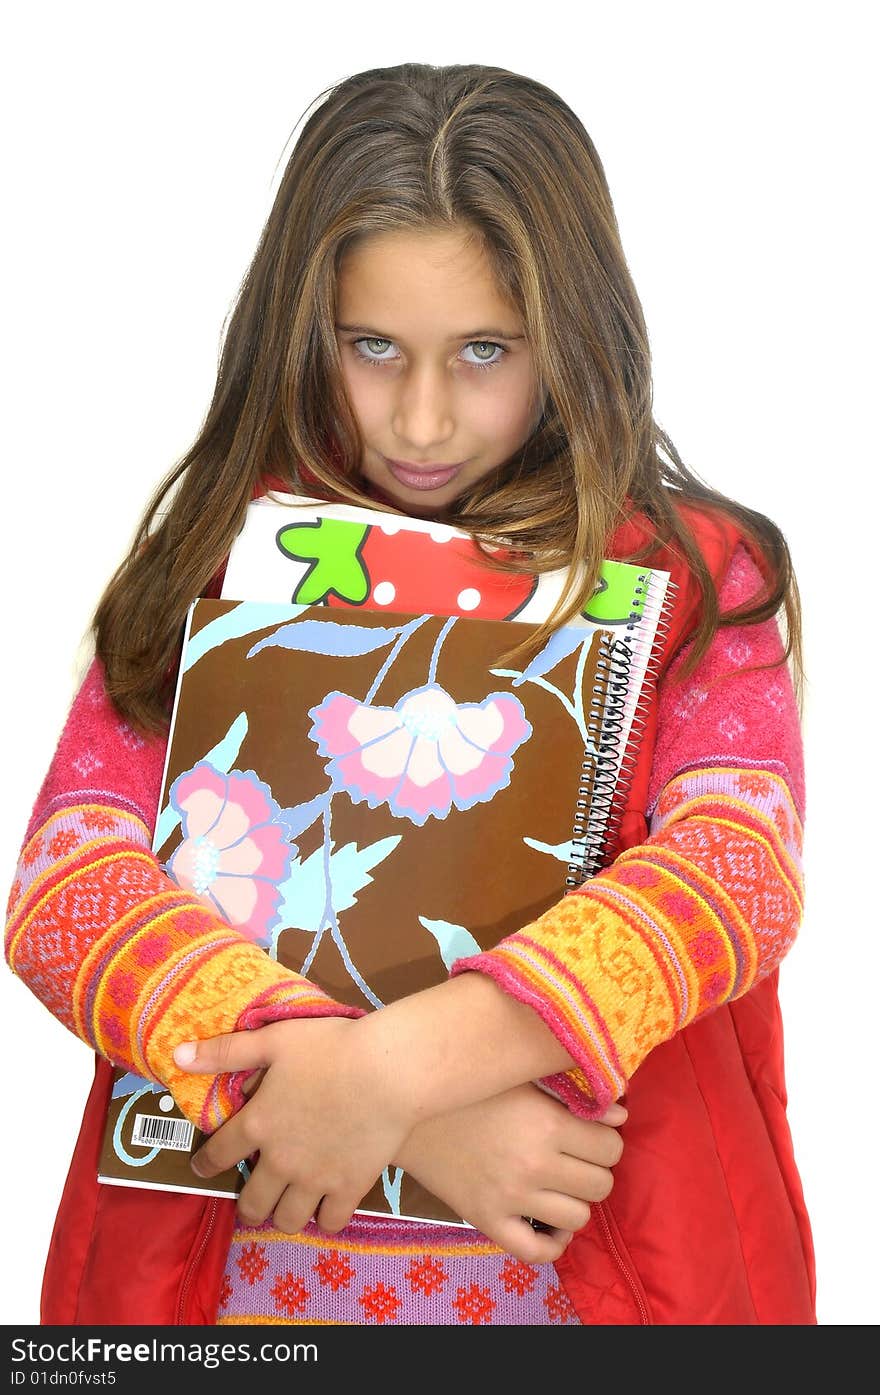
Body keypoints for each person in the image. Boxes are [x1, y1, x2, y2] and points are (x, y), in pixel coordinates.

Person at [4, 61, 815, 1327]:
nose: (424, 419)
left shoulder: (697, 576)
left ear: (577, 335)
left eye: (484, 351)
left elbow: (733, 872)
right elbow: (67, 890)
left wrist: (392, 1072)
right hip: (231, 1287)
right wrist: (387, 1115)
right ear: (300, 325)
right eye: (371, 347)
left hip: (600, 1281)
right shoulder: (218, 560)